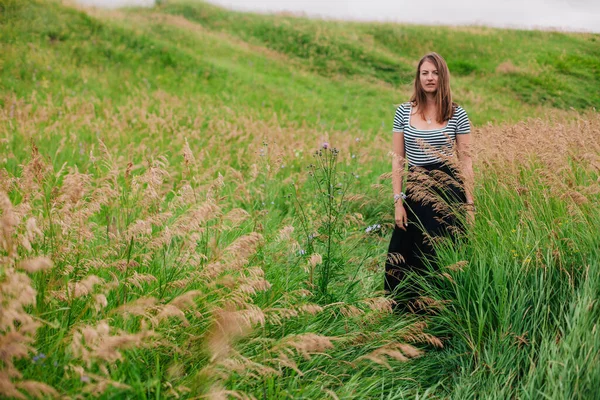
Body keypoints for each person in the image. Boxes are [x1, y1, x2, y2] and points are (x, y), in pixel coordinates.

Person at [384, 52, 475, 313]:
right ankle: (405, 315)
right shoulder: (403, 111)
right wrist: (397, 201)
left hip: (448, 192)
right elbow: (397, 160)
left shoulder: (457, 114)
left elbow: (466, 162)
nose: (430, 78)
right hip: (415, 190)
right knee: (402, 255)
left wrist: (470, 204)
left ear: (442, 76)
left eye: (435, 73)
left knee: (441, 253)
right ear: (418, 77)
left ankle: (442, 313)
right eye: (425, 73)